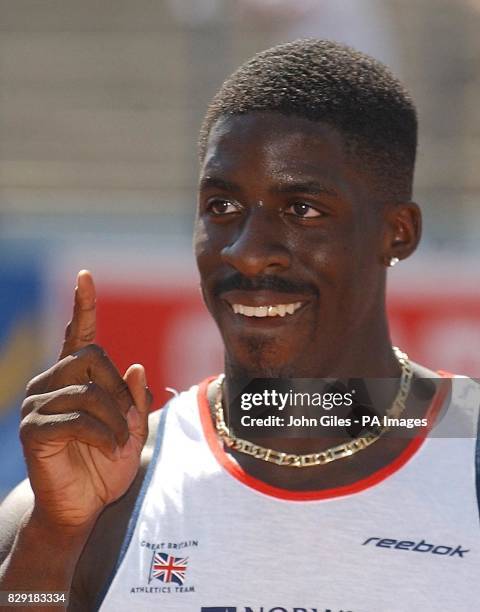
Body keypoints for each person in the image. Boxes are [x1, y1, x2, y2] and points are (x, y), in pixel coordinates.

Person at [0, 39, 479, 612]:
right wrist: (55, 539)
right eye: (222, 207)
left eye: (302, 210)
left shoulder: (467, 452)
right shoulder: (100, 492)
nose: (249, 254)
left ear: (397, 232)